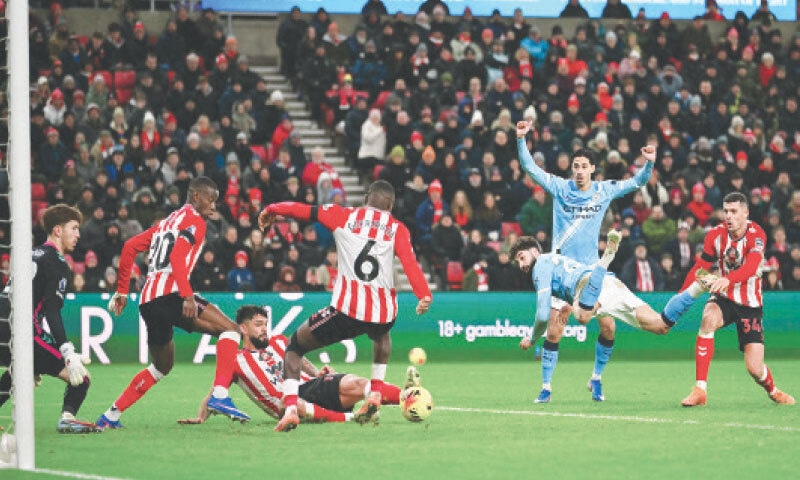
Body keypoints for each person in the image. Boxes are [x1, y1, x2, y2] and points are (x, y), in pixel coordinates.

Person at [258, 180, 432, 431]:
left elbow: (302, 209)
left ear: (366, 198)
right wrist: (423, 294)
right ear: (390, 205)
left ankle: (292, 409)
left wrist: (273, 209)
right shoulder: (398, 228)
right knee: (381, 333)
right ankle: (375, 391)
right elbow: (410, 262)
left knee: (294, 347)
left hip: (348, 310)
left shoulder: (343, 215)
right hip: (383, 312)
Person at [517, 120, 656, 403]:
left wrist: (649, 163)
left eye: (584, 167)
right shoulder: (559, 187)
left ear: (593, 169)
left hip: (591, 271)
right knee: (555, 330)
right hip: (560, 271)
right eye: (576, 166)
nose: (579, 171)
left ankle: (596, 379)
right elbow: (531, 168)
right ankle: (546, 387)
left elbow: (638, 182)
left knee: (608, 326)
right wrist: (521, 139)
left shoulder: (604, 190)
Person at [97, 177, 249, 428]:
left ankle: (110, 415)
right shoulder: (195, 221)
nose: (214, 207)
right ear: (197, 197)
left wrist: (122, 292)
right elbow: (177, 257)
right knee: (231, 330)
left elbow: (130, 246)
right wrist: (187, 296)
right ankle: (220, 396)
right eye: (211, 200)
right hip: (172, 296)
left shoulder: (165, 223)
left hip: (148, 302)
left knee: (162, 366)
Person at [177, 305, 415, 426]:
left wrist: (315, 372)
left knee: (357, 383)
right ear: (243, 328)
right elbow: (214, 392)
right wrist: (201, 417)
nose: (264, 329)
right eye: (258, 324)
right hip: (284, 404)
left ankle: (409, 397)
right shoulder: (236, 360)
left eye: (265, 324)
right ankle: (352, 418)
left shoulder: (280, 341)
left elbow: (299, 358)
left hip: (306, 388)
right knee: (295, 405)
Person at [678, 193, 795, 407]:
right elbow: (699, 268)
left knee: (754, 368)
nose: (728, 216)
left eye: (733, 211)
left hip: (750, 304)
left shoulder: (756, 235)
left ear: (745, 213)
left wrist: (728, 279)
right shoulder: (715, 235)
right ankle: (699, 390)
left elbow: (751, 268)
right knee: (708, 318)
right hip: (724, 297)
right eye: (726, 211)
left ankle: (773, 391)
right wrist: (681, 296)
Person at [0, 205, 100, 433]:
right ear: (57, 230)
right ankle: (67, 418)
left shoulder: (29, 254)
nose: (78, 235)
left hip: (4, 322)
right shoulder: (56, 261)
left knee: (19, 372)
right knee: (81, 378)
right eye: (74, 228)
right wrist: (67, 351)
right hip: (20, 328)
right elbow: (52, 311)